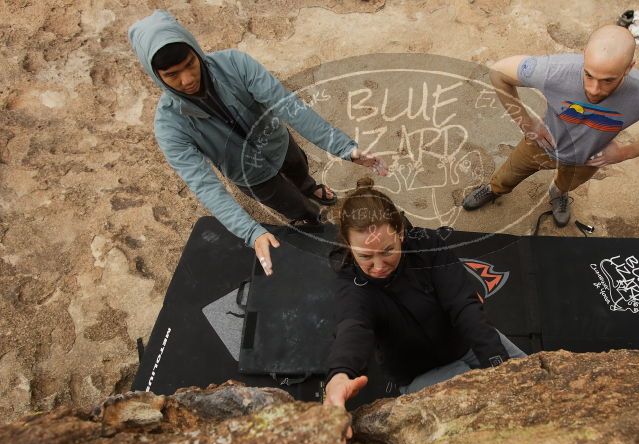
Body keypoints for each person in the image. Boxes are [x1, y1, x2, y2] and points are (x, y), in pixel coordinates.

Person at [128, 11, 386, 276]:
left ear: (196, 50)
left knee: (300, 171)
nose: (187, 79)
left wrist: (344, 147)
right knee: (291, 205)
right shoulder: (169, 126)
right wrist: (251, 231)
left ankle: (311, 188)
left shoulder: (235, 64)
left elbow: (289, 107)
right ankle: (311, 217)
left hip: (280, 144)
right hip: (251, 177)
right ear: (155, 75)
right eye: (172, 75)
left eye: (189, 64)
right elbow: (204, 185)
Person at [324, 178, 526, 413]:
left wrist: (499, 365)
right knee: (486, 409)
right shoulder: (351, 285)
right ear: (349, 247)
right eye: (366, 256)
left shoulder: (427, 246)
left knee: (527, 381)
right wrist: (339, 375)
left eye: (388, 250)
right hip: (417, 373)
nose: (379, 266)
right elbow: (353, 327)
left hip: (464, 341)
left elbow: (463, 305)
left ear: (400, 232)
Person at [463, 25, 639, 227]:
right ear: (584, 57)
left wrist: (625, 152)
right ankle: (494, 190)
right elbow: (499, 72)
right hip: (541, 145)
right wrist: (525, 122)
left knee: (567, 184)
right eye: (589, 75)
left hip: (588, 158)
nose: (593, 89)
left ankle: (558, 194)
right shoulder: (554, 70)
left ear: (629, 68)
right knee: (509, 173)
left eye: (608, 80)